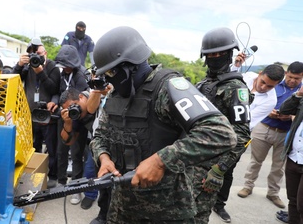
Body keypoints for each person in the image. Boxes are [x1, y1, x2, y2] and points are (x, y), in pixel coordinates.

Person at [89, 26, 236, 223]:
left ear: (129, 66)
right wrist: (104, 158)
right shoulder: (116, 95)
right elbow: (100, 136)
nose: (109, 80)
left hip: (167, 209)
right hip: (122, 205)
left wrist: (161, 160)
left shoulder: (169, 87)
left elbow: (222, 133)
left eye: (112, 73)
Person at [195, 27, 253, 223]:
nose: (215, 57)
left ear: (229, 54)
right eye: (211, 54)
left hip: (213, 162)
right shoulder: (203, 84)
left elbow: (243, 136)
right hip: (193, 156)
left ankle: (219, 206)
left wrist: (220, 169)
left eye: (220, 53)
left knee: (198, 214)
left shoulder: (236, 88)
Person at [238, 61, 303, 209]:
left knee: (278, 166)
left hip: (285, 132)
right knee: (256, 160)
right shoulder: (274, 83)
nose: (293, 80)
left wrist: (290, 116)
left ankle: (273, 193)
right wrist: (270, 111)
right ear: (286, 74)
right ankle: (248, 186)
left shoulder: (301, 91)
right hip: (264, 127)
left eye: (297, 78)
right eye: (290, 77)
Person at [11, 37, 61, 188]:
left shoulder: (52, 67)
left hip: (48, 115)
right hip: (30, 113)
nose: (35, 57)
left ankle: (52, 175)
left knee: (51, 147)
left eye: (38, 53)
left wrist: (40, 71)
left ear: (45, 52)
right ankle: (34, 173)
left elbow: (54, 89)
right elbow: (15, 80)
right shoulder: (27, 67)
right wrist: (20, 65)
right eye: (32, 54)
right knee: (33, 145)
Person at [59, 85, 111, 210]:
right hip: (96, 143)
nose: (74, 109)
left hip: (115, 140)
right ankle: (91, 195)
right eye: (69, 109)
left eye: (74, 104)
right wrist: (67, 123)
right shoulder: (76, 115)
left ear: (81, 97)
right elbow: (68, 141)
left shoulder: (100, 95)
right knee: (90, 169)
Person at [55, 44, 90, 205]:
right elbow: (57, 92)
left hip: (79, 120)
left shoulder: (81, 76)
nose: (65, 67)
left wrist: (74, 115)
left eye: (67, 64)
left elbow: (82, 101)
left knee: (77, 154)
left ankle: (76, 188)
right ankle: (61, 182)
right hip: (64, 116)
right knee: (61, 149)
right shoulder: (62, 74)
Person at [275, 87, 303, 224]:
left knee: (301, 204)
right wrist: (299, 94)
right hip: (294, 157)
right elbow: (284, 110)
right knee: (292, 199)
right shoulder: (301, 100)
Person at [243, 64, 285, 131]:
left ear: (277, 85)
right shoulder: (247, 76)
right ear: (260, 74)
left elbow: (248, 122)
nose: (263, 87)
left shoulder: (270, 101)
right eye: (262, 82)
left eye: (270, 86)